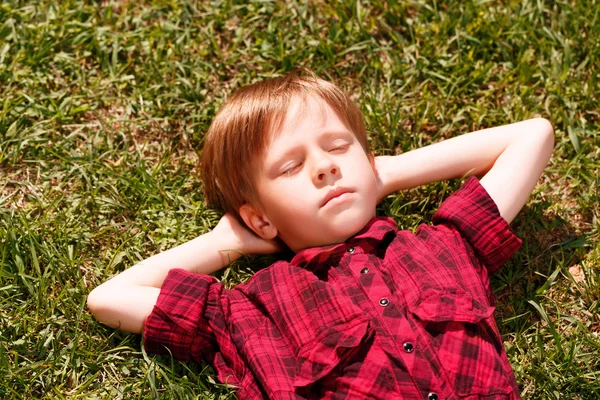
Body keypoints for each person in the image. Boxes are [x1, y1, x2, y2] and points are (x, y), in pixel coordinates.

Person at [87, 69, 554, 399]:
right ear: (261, 219)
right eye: (290, 167)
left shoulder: (441, 247)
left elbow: (533, 136)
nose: (325, 165)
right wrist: (221, 244)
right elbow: (110, 297)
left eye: (337, 147)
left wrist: (386, 172)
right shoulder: (254, 309)